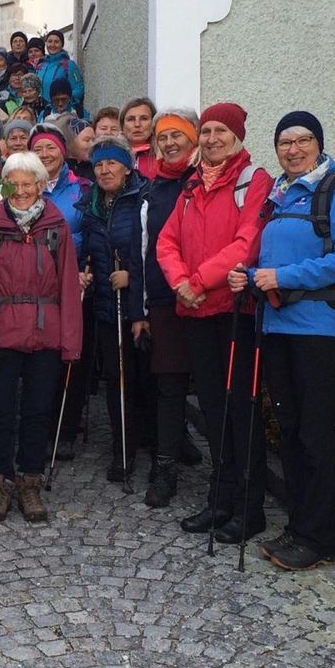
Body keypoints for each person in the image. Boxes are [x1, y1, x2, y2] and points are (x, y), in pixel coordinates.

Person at [228, 111, 335, 570]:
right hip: (278, 326)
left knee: (315, 433)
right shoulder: (279, 194)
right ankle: (300, 526)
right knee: (290, 431)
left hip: (320, 330)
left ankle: (321, 537)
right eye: (284, 142)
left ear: (318, 144)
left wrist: (281, 276)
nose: (292, 149)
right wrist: (249, 275)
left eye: (302, 140)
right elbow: (271, 260)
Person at [157, 101, 272, 544]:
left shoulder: (253, 180)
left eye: (220, 131)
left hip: (233, 311)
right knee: (213, 409)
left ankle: (249, 506)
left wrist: (198, 280)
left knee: (241, 410)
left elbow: (248, 243)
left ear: (237, 137)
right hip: (196, 311)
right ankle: (220, 499)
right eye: (205, 131)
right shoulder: (191, 184)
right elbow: (166, 241)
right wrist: (181, 283)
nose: (211, 139)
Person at [0, 151, 83, 523]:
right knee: (0, 409)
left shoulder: (56, 227)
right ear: (4, 186)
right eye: (14, 184)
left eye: (28, 184)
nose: (21, 191)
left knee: (38, 410)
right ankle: (0, 481)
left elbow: (68, 286)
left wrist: (71, 342)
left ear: (41, 186)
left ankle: (30, 481)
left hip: (45, 332)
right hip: (2, 332)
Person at [137, 108, 201, 508]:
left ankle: (226, 472)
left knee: (209, 386)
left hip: (208, 295)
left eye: (177, 135)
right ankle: (165, 468)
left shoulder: (204, 180)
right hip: (165, 298)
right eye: (163, 137)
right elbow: (145, 248)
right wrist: (143, 306)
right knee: (170, 384)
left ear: (192, 140)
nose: (170, 143)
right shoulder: (154, 190)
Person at [77, 136, 148, 480]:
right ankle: (122, 449)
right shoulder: (90, 204)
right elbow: (87, 250)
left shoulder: (142, 199)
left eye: (112, 163)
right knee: (116, 378)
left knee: (142, 379)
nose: (105, 170)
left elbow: (152, 249)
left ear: (127, 167)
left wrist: (132, 276)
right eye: (99, 164)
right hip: (106, 306)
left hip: (138, 304)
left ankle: (149, 443)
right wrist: (84, 272)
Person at [29, 123, 85, 250]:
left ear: (62, 152)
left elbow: (92, 233)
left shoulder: (83, 187)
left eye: (51, 148)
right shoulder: (22, 190)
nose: (44, 154)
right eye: (37, 150)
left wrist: (61, 243)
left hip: (74, 260)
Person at [37, 30, 84, 112]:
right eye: (50, 41)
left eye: (56, 42)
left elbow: (78, 89)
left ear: (62, 45)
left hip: (61, 110)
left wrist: (63, 102)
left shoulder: (69, 65)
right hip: (41, 111)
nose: (52, 45)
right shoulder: (41, 66)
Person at [120, 97, 158, 179]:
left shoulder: (163, 156)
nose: (137, 124)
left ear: (154, 123)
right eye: (131, 119)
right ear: (122, 126)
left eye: (144, 118)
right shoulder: (113, 155)